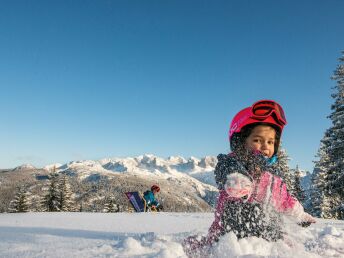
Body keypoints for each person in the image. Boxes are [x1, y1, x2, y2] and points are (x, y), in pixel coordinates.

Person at [183, 99, 316, 256]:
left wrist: (300, 216)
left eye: (270, 141)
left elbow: (286, 201)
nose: (265, 146)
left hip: (266, 241)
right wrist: (236, 179)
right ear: (241, 143)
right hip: (228, 239)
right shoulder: (232, 164)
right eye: (257, 140)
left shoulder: (274, 180)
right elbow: (225, 169)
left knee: (281, 234)